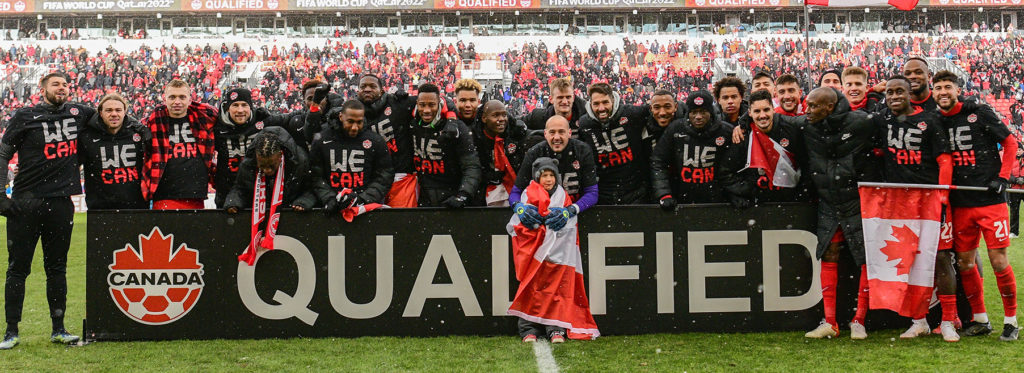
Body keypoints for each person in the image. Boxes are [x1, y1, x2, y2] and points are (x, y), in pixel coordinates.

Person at [0, 72, 95, 349]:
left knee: (57, 268)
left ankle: (59, 328)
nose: (62, 88)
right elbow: (3, 153)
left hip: (61, 202)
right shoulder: (25, 115)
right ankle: (11, 332)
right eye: (56, 84)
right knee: (17, 269)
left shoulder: (80, 113)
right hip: (26, 202)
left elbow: (113, 116)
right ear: (42, 88)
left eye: (66, 84)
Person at [872, 76, 959, 342]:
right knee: (908, 262)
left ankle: (948, 321)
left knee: (941, 259)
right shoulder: (881, 121)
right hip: (900, 204)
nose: (894, 96)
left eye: (900, 91)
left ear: (911, 94)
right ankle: (918, 320)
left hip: (930, 202)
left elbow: (945, 160)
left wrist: (942, 195)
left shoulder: (930, 121)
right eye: (889, 92)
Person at [934, 70, 1019, 341]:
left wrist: (1003, 177)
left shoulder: (979, 113)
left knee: (997, 260)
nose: (943, 92)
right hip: (961, 204)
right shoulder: (935, 121)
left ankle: (1011, 321)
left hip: (990, 201)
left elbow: (1010, 142)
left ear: (958, 89)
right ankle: (981, 319)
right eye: (938, 88)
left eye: (948, 86)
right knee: (965, 262)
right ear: (933, 92)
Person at [802, 87, 879, 340]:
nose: (807, 110)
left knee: (864, 256)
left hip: (858, 202)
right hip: (829, 201)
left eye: (813, 106)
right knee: (829, 253)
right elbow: (775, 121)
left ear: (830, 107)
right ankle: (831, 322)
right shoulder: (808, 127)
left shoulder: (862, 123)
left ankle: (860, 320)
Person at [507, 157, 599, 343]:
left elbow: (570, 225)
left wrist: (565, 215)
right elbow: (516, 225)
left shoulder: (563, 196)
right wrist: (527, 218)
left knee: (557, 290)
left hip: (558, 255)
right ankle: (528, 329)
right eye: (544, 175)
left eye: (551, 175)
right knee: (531, 287)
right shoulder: (527, 194)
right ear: (536, 177)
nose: (548, 179)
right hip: (533, 255)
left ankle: (556, 328)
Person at [719, 90, 807, 206]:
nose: (762, 115)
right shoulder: (742, 136)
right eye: (757, 111)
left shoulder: (790, 129)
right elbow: (725, 172)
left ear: (773, 109)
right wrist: (749, 190)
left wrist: (800, 194)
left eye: (766, 110)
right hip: (759, 207)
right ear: (749, 113)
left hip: (791, 203)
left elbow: (806, 165)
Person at [212, 88, 296, 208]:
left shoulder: (262, 121)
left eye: (244, 105)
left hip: (259, 190)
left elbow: (291, 118)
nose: (240, 110)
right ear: (227, 108)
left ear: (250, 107)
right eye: (235, 105)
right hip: (228, 192)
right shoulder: (217, 127)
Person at [651, 90, 735, 208]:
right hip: (683, 201)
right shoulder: (675, 129)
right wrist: (664, 194)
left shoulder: (726, 132)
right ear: (688, 113)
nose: (698, 117)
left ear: (711, 112)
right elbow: (658, 161)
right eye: (694, 112)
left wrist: (735, 193)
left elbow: (735, 166)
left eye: (703, 111)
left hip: (717, 202)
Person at [142, 79, 216, 210]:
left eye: (182, 97)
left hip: (196, 195)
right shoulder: (154, 121)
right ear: (164, 99)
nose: (177, 102)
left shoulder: (203, 118)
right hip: (164, 195)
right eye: (172, 97)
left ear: (190, 99)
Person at [309, 100, 394, 213]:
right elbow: (315, 175)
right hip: (330, 208)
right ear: (341, 117)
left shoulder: (375, 141)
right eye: (350, 121)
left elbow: (385, 175)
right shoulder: (322, 139)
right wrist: (329, 198)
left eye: (359, 122)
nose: (354, 127)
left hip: (364, 210)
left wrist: (363, 199)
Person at [511, 115, 598, 221]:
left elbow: (592, 193)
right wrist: (520, 209)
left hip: (575, 217)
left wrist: (572, 210)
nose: (557, 137)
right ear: (545, 134)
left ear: (569, 133)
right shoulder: (534, 153)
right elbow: (515, 192)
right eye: (552, 132)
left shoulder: (582, 150)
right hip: (540, 219)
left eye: (561, 132)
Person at [577, 82, 650, 204]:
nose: (601, 108)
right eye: (596, 104)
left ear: (613, 100)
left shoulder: (631, 114)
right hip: (605, 194)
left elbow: (658, 109)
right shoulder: (584, 124)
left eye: (605, 102)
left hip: (635, 191)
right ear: (590, 104)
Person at [409, 83, 481, 208]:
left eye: (432, 105)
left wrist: (463, 195)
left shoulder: (457, 128)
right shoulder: (411, 123)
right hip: (422, 195)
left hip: (450, 194)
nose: (426, 110)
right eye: (422, 105)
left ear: (439, 105)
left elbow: (471, 165)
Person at [353, 74, 416, 207]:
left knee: (400, 222)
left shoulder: (397, 103)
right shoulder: (352, 112)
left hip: (400, 176)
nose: (367, 89)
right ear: (357, 90)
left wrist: (451, 117)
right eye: (363, 86)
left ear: (382, 91)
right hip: (370, 178)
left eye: (372, 86)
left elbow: (434, 99)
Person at [78, 93, 150, 210]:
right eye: (109, 110)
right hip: (100, 209)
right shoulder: (86, 137)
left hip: (136, 207)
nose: (114, 114)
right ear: (100, 113)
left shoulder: (139, 135)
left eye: (118, 110)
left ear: (125, 112)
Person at [224, 128, 315, 214]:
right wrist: (234, 202)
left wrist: (303, 202)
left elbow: (311, 188)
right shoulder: (248, 164)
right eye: (262, 166)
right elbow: (240, 189)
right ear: (256, 157)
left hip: (291, 215)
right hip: (260, 217)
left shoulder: (300, 162)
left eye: (271, 166)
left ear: (280, 155)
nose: (267, 170)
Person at [471, 100, 528, 206]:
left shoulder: (514, 134)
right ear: (484, 118)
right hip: (485, 193)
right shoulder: (474, 139)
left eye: (504, 115)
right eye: (495, 115)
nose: (501, 119)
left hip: (514, 190)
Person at [522, 77, 588, 134]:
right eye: (560, 97)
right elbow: (515, 124)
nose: (565, 102)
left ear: (573, 98)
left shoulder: (587, 117)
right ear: (551, 99)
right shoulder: (537, 117)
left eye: (568, 97)